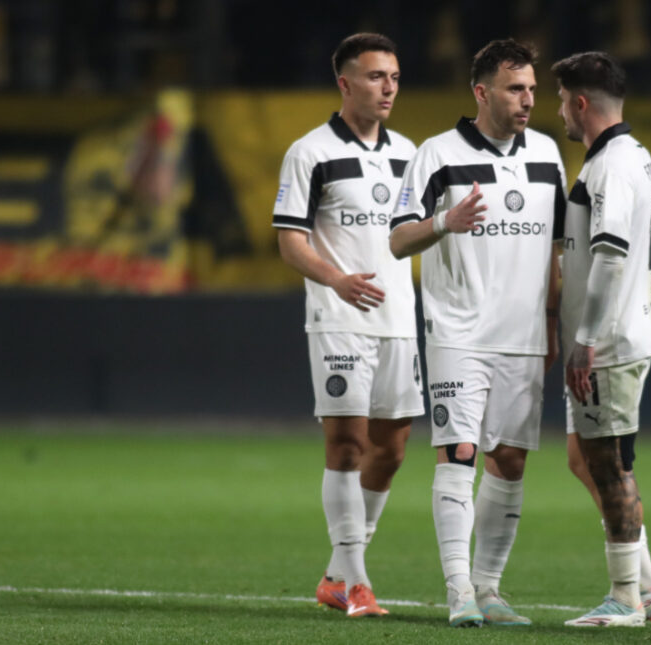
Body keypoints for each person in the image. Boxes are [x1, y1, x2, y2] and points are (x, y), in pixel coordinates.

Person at [389, 39, 566, 628]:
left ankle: (489, 588)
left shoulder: (547, 154)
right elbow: (398, 239)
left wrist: (552, 322)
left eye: (533, 89)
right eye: (515, 89)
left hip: (524, 336)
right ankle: (458, 589)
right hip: (458, 332)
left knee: (510, 461)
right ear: (481, 92)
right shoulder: (437, 155)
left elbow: (557, 250)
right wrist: (446, 221)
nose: (528, 100)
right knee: (459, 453)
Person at [272, 33, 423, 618]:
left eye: (394, 77)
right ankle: (356, 582)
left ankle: (337, 573)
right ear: (345, 83)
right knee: (347, 443)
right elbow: (290, 241)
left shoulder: (409, 153)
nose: (388, 88)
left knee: (392, 449)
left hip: (398, 319)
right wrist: (336, 280)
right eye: (376, 76)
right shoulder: (309, 152)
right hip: (339, 319)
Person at [551, 51, 651, 628]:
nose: (559, 113)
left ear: (581, 103)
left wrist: (585, 339)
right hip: (621, 332)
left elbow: (609, 257)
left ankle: (626, 597)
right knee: (585, 458)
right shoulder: (632, 157)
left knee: (611, 466)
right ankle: (647, 586)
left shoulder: (611, 167)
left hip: (609, 341)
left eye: (561, 101)